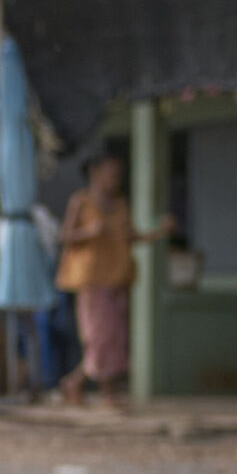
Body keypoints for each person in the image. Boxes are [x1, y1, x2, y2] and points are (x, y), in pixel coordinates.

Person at [53, 155, 174, 408]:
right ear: (95, 172)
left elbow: (132, 236)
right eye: (111, 174)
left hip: (118, 279)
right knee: (100, 337)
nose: (115, 180)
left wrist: (159, 232)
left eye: (118, 176)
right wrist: (90, 231)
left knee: (114, 338)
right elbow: (64, 236)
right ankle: (106, 391)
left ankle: (75, 383)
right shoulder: (81, 201)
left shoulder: (120, 205)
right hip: (92, 280)